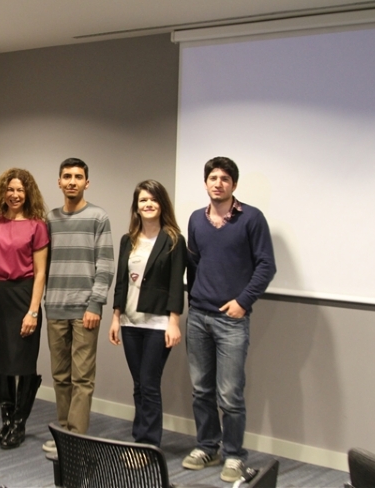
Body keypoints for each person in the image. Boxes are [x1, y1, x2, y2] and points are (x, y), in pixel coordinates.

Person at [182, 157, 276, 483]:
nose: (218, 183)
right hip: (198, 316)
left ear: (233, 184)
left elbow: (266, 265)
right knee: (201, 390)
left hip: (231, 320)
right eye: (213, 178)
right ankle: (207, 446)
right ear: (205, 183)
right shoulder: (196, 219)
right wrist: (193, 300)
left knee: (230, 394)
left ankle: (234, 454)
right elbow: (194, 262)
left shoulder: (252, 218)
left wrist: (242, 302)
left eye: (224, 178)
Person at [42, 158, 114, 453]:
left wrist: (95, 304)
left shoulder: (98, 217)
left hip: (85, 310)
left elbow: (105, 265)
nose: (72, 181)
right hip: (55, 307)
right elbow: (42, 264)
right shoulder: (50, 219)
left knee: (81, 378)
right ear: (59, 182)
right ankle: (64, 434)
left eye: (78, 176)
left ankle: (76, 439)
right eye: (67, 176)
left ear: (87, 182)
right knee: (60, 377)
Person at [108, 180, 186, 447]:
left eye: (153, 199)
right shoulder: (127, 240)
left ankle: (148, 445)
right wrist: (116, 317)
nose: (148, 204)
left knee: (150, 385)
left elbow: (176, 285)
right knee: (139, 385)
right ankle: (139, 439)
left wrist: (174, 322)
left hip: (158, 324)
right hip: (130, 322)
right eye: (143, 200)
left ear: (162, 204)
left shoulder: (174, 240)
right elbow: (121, 282)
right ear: (136, 206)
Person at [0, 168, 48, 450]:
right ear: (3, 192)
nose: (15, 194)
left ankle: (19, 424)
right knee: (2, 362)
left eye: (20, 190)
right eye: (10, 189)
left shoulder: (37, 226)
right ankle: (6, 422)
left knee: (23, 362)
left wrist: (33, 311)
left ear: (28, 193)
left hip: (24, 295)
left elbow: (41, 272)